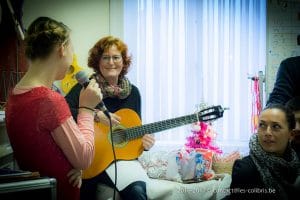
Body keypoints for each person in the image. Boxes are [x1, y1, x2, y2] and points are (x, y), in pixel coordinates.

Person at [5, 16, 102, 200]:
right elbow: (84, 158)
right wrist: (86, 109)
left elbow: (43, 149)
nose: (71, 60)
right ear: (62, 49)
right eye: (72, 52)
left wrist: (72, 165)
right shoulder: (49, 100)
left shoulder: (15, 94)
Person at [65, 35, 155, 200]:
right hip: (92, 159)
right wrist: (96, 115)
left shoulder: (134, 93)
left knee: (137, 192)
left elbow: (133, 131)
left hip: (123, 163)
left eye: (116, 57)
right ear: (97, 62)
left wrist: (145, 143)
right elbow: (63, 112)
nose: (111, 62)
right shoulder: (86, 88)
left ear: (124, 61)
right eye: (105, 57)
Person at [228, 104, 300, 200]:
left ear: (291, 134)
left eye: (276, 126)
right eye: (262, 125)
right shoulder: (245, 170)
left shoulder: (295, 164)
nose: (267, 132)